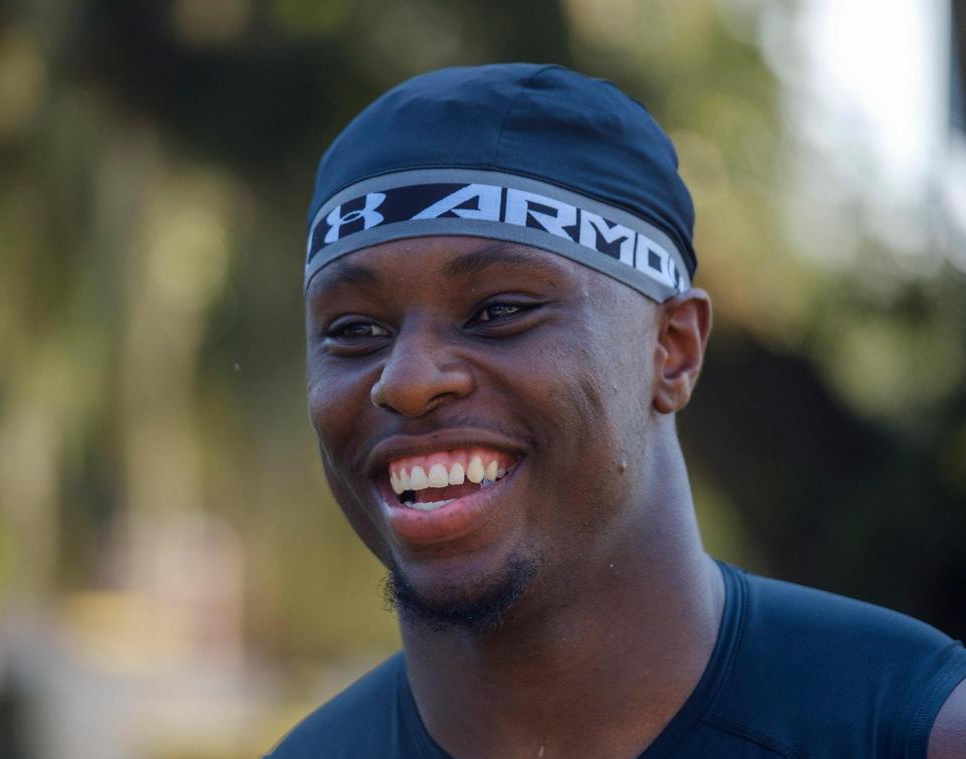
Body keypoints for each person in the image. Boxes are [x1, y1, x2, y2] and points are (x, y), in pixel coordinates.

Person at [267, 64, 966, 758]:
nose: (409, 380)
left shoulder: (909, 732)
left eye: (500, 310)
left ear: (673, 349)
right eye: (353, 329)